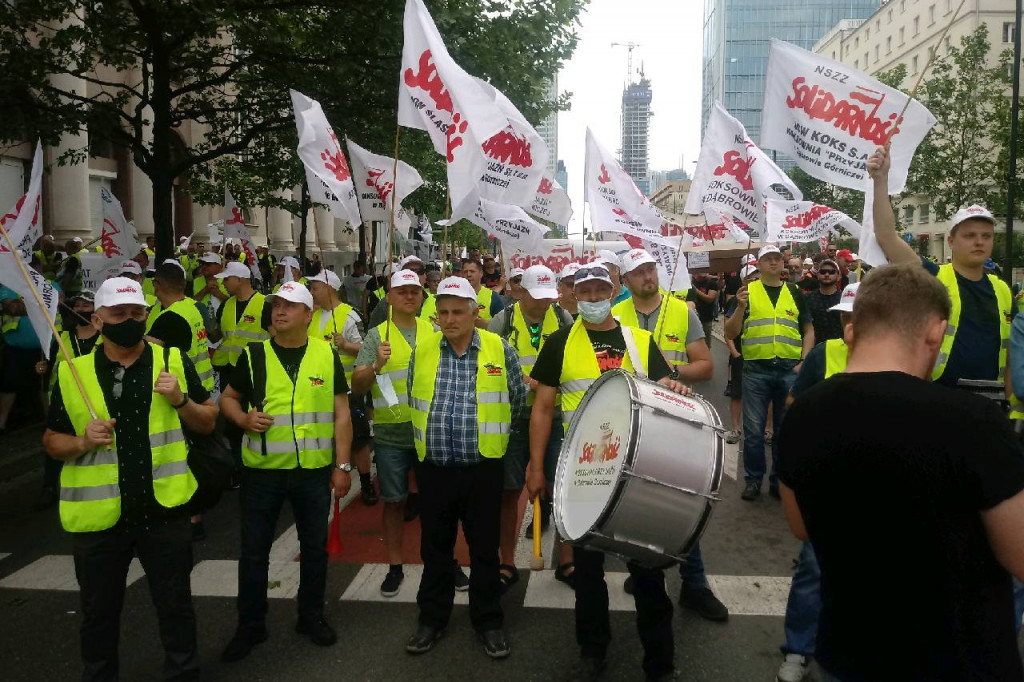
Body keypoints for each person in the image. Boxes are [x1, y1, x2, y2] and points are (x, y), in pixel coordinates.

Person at [778, 264, 1024, 682]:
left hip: (847, 654)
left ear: (854, 327)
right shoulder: (975, 421)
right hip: (960, 662)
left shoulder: (801, 414)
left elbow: (801, 526)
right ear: (936, 332)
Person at [42, 276, 218, 682]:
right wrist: (81, 442)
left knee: (175, 607)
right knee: (98, 615)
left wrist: (181, 401)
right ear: (98, 320)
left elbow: (209, 422)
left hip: (164, 511)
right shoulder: (73, 372)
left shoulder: (171, 361)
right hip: (100, 520)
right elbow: (52, 441)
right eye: (119, 314)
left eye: (137, 313)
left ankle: (183, 673)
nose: (130, 320)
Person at [525, 263, 690, 682]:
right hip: (582, 472)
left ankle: (659, 661)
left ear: (615, 290)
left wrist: (676, 387)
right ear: (572, 295)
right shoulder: (558, 343)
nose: (594, 299)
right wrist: (537, 467)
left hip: (637, 469)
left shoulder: (640, 341)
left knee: (647, 571)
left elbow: (667, 393)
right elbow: (542, 409)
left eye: (601, 290)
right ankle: (592, 649)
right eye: (586, 292)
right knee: (588, 573)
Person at [218, 281, 353, 661]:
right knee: (254, 553)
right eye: (277, 304)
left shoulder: (326, 356)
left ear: (309, 315)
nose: (280, 311)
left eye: (291, 306)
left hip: (312, 472)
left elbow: (342, 415)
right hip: (263, 473)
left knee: (314, 550)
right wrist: (243, 419)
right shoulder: (254, 355)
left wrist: (342, 466)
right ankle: (250, 626)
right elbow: (227, 398)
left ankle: (310, 616)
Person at [404, 277, 525, 659]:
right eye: (443, 312)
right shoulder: (423, 350)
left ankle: (488, 621)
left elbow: (517, 402)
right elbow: (413, 397)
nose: (450, 319)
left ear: (476, 313)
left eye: (458, 311)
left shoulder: (499, 348)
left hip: (481, 468)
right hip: (435, 468)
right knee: (435, 547)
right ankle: (432, 619)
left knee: (484, 549)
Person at [613, 249, 728, 623]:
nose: (647, 276)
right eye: (638, 272)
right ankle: (644, 572)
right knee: (634, 502)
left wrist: (670, 368)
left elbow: (707, 367)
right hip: (633, 421)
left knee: (683, 504)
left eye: (651, 269)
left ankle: (695, 584)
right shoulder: (615, 315)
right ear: (625, 280)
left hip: (677, 419)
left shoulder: (682, 311)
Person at [868, 145, 1016, 388]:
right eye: (969, 235)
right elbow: (886, 236)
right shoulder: (933, 276)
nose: (979, 241)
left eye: (986, 236)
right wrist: (880, 181)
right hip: (938, 394)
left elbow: (1011, 354)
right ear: (950, 241)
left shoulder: (1003, 291)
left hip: (991, 402)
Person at [775, 282, 857, 682]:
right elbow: (794, 408)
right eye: (846, 317)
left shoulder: (900, 353)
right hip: (828, 477)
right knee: (813, 567)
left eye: (861, 317)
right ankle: (797, 649)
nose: (852, 324)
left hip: (881, 480)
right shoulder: (826, 354)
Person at [487, 265, 574, 592]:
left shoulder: (565, 320)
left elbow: (574, 365)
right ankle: (506, 563)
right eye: (536, 296)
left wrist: (550, 384)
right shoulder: (503, 322)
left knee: (560, 490)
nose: (542, 303)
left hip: (554, 419)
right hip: (511, 421)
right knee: (508, 492)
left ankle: (567, 562)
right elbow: (488, 364)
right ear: (520, 291)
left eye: (548, 297)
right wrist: (519, 382)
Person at [351, 269, 435, 596]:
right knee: (395, 501)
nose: (410, 296)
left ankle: (444, 563)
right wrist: (375, 366)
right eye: (402, 291)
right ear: (390, 296)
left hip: (429, 433)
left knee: (436, 503)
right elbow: (357, 386)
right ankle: (395, 565)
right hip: (391, 436)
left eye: (415, 290)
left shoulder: (432, 330)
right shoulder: (376, 336)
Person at [724, 244, 814, 501]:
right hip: (756, 371)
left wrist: (803, 361)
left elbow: (808, 330)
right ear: (759, 264)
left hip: (789, 371)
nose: (774, 263)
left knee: (785, 431)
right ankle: (753, 480)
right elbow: (730, 333)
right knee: (753, 430)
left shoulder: (795, 292)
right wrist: (740, 307)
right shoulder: (746, 293)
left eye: (777, 258)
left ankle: (779, 481)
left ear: (783, 263)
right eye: (768, 259)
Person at [307, 268, 375, 504]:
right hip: (318, 390)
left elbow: (367, 348)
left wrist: (345, 344)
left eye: (315, 287)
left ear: (329, 288)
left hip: (348, 390)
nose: (312, 293)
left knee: (357, 441)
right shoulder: (312, 316)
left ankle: (366, 484)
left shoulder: (349, 315)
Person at [34, 290, 100, 510]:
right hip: (63, 405)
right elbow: (49, 365)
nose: (80, 309)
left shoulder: (105, 337)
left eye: (86, 305)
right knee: (57, 444)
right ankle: (50, 487)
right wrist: (42, 368)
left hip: (95, 404)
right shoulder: (61, 337)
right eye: (77, 304)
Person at [723, 264, 760, 444]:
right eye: (750, 278)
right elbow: (727, 330)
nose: (755, 281)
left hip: (761, 356)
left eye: (757, 277)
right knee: (737, 394)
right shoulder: (734, 301)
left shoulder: (768, 298)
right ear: (743, 281)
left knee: (762, 395)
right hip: (741, 356)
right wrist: (735, 353)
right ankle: (736, 429)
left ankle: (766, 429)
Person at [0, 285, 44, 437]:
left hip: (43, 348)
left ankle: (50, 422)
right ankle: (1, 424)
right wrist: (38, 303)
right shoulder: (7, 287)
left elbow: (56, 302)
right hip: (15, 349)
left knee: (44, 385)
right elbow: (12, 308)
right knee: (9, 384)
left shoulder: (49, 284)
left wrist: (22, 302)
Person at [803, 259, 843, 344]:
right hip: (814, 350)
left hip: (839, 350)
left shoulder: (844, 300)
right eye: (823, 272)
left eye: (831, 272)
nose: (827, 274)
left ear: (839, 276)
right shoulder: (808, 299)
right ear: (817, 275)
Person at [459, 258, 504, 326]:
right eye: (465, 272)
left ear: (481, 273)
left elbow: (503, 326)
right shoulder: (454, 296)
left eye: (472, 271)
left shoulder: (493, 297)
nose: (468, 274)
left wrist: (486, 324)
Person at [687, 274, 720, 346]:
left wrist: (694, 290)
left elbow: (710, 299)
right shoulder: (689, 281)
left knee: (705, 343)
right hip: (690, 319)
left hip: (705, 318)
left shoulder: (711, 283)